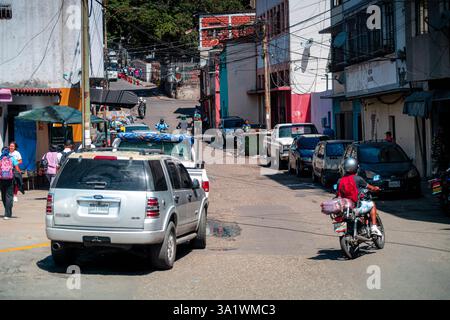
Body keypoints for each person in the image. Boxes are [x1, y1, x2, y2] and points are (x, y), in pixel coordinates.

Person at [336, 158, 383, 236]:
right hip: (356, 207)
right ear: (355, 168)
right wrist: (376, 188)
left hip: (344, 209)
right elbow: (371, 188)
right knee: (372, 204)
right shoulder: (358, 179)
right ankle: (374, 227)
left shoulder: (339, 180)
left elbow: (337, 193)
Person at [0, 147, 21, 220]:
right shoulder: (12, 158)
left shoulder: (0, 158)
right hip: (10, 179)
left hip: (1, 180)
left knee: (3, 196)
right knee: (9, 196)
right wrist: (19, 174)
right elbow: (17, 167)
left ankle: (7, 211)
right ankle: (7, 213)